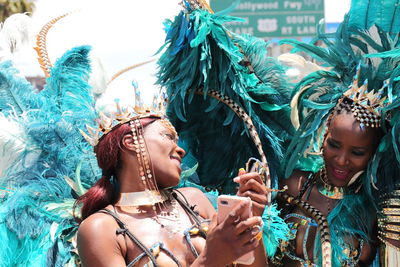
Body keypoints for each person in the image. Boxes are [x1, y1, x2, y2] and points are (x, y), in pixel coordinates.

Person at [75, 111, 268, 267]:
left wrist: (249, 223)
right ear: (131, 142)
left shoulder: (194, 200)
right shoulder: (100, 228)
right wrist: (210, 260)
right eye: (168, 136)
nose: (180, 149)